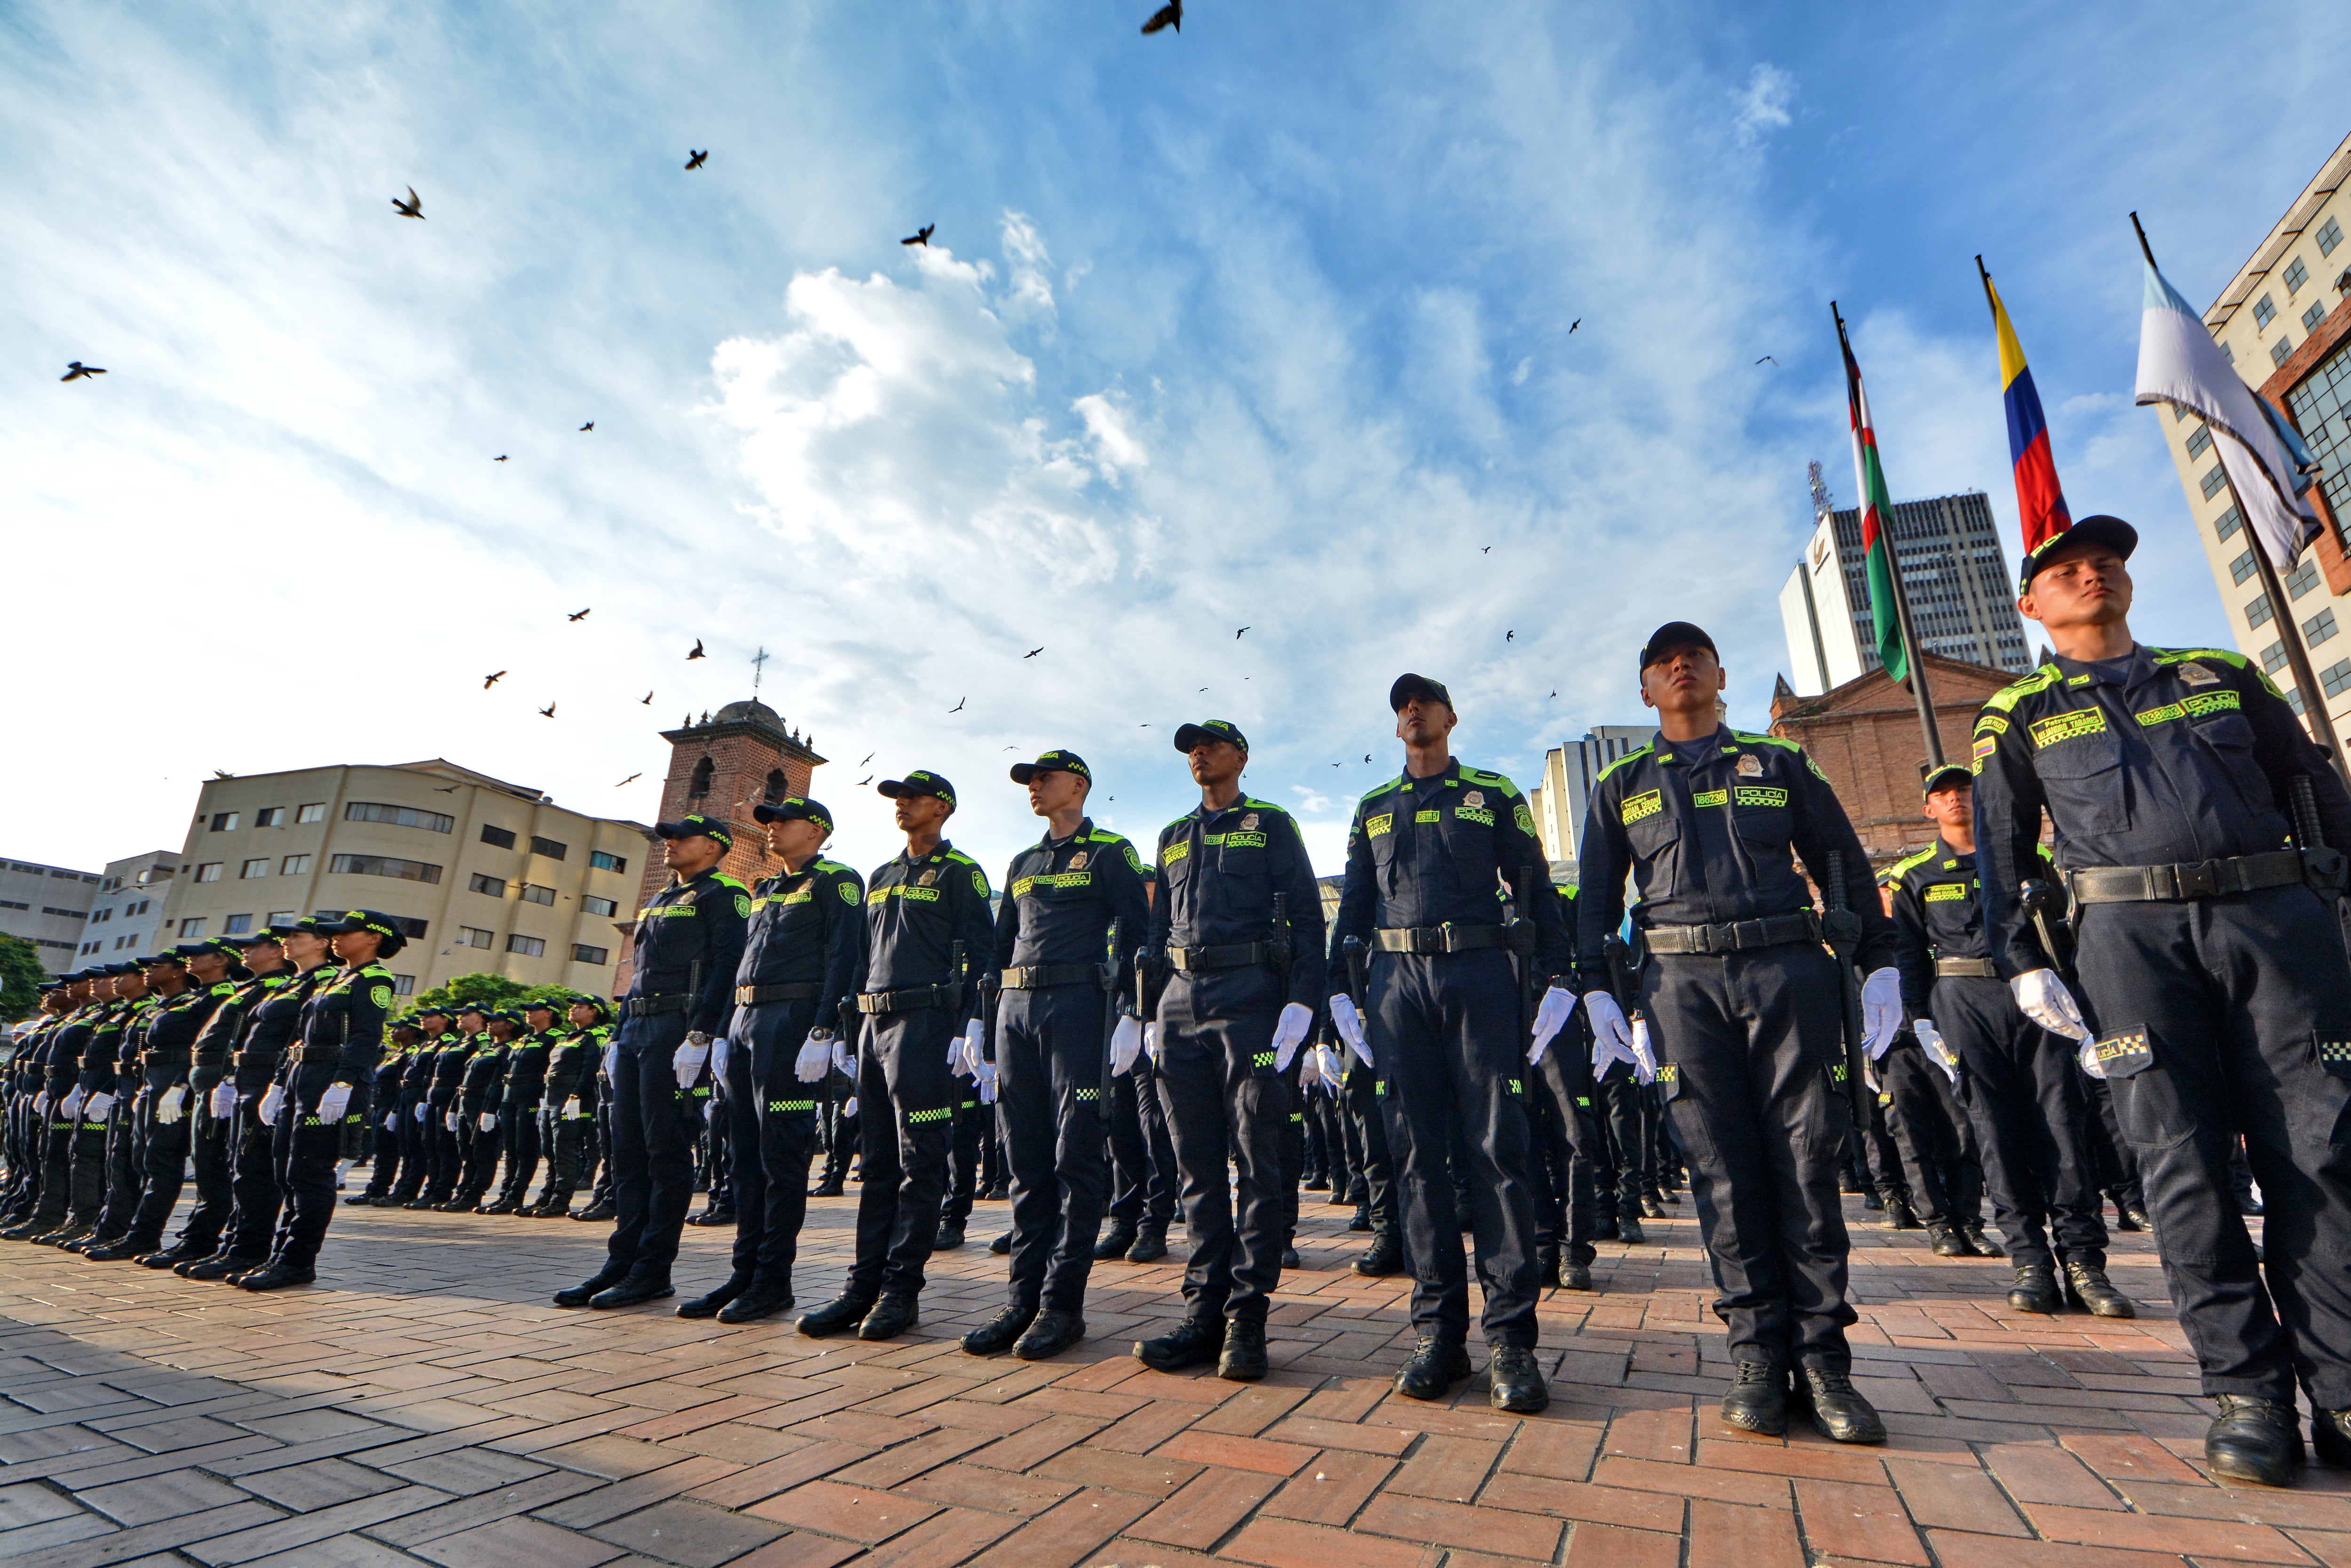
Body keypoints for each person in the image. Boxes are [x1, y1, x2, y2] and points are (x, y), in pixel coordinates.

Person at [1972, 515, 2351, 1487]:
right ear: (2030, 604)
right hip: (2130, 940)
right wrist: (2022, 959)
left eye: (2104, 561)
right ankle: (2247, 1393)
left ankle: (2343, 1386)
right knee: (2181, 1158)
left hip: (2274, 923)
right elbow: (2003, 847)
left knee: (2323, 1147)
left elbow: (2311, 785)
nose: (2091, 574)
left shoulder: (2219, 672)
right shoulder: (2017, 711)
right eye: (2065, 569)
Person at [1574, 624, 1895, 1444]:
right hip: (1680, 986)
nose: (1680, 665)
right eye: (1662, 661)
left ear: (1721, 674)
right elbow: (1596, 899)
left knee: (1807, 1161)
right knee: (1720, 1168)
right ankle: (1755, 1355)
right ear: (1645, 689)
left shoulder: (1779, 762)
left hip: (1787, 971)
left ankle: (1823, 1363)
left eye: (1695, 655)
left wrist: (1882, 962)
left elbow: (1843, 862)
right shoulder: (1621, 784)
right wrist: (1597, 988)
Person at [1327, 674, 1572, 1413]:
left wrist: (1558, 976)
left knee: (1498, 1153)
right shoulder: (1373, 806)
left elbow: (1535, 889)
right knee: (1415, 1159)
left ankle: (1511, 1340)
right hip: (1397, 986)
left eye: (1424, 700)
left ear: (1450, 716)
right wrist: (1338, 990)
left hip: (1480, 976)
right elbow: (1355, 904)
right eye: (1401, 704)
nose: (1412, 709)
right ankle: (1438, 1331)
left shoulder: (1493, 793)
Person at [1129, 720, 1327, 1379]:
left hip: (1250, 997)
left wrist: (1303, 1001)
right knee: (1194, 1164)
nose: (1198, 753)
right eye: (1191, 746)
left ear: (1240, 756)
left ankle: (1247, 1317)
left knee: (1256, 1155)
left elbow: (1308, 918)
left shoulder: (1270, 823)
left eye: (1210, 744)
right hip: (1179, 1000)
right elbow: (1156, 931)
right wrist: (1148, 1009)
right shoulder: (1172, 835)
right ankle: (1203, 1313)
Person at [1889, 764, 2119, 1315]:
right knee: (1992, 1131)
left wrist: (2086, 1010)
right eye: (1942, 793)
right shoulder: (1913, 875)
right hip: (1962, 1000)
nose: (1954, 799)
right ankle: (2030, 1261)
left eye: (1963, 789)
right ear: (1927, 808)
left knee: (2062, 1126)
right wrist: (1920, 1019)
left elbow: (2067, 934)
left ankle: (2084, 1262)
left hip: (2037, 999)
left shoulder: (2025, 857)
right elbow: (1908, 953)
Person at [953, 751, 1153, 1361]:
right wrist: (980, 1019)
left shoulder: (1110, 851)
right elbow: (999, 945)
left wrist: (1134, 1012)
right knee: (1026, 1161)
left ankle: (1061, 1306)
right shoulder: (1023, 861)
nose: (1034, 787)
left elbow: (1138, 934)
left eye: (1045, 777)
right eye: (1029, 781)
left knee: (1075, 1159)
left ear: (1079, 785)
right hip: (1016, 1012)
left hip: (1078, 1010)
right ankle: (1021, 1300)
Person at [800, 772, 993, 1342]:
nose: (902, 804)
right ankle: (861, 1286)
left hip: (924, 1023)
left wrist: (967, 1024)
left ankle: (900, 1290)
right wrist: (844, 1029)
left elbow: (982, 952)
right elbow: (861, 955)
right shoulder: (881, 875)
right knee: (878, 1161)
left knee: (920, 1161)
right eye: (897, 798)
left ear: (943, 807)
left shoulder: (961, 872)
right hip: (872, 1025)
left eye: (913, 796)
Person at [682, 796, 865, 1324]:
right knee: (741, 1154)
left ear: (817, 830)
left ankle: (771, 1280)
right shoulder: (764, 889)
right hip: (745, 1020)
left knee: (779, 1157)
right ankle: (744, 1273)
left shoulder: (836, 880)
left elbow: (845, 957)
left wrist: (825, 1028)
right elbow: (739, 963)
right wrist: (719, 1033)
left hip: (790, 1022)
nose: (773, 828)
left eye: (785, 821)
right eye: (770, 822)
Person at [557, 814, 749, 1310]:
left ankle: (652, 1269)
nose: (672, 843)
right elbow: (638, 974)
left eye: (683, 837)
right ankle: (620, 1262)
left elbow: (727, 967)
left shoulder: (724, 893)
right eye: (670, 837)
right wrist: (615, 1038)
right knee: (626, 1150)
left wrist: (703, 1032)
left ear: (713, 846)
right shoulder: (661, 898)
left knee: (665, 1148)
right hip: (636, 1026)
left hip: (676, 1027)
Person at [239, 909, 400, 1290]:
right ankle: (280, 1255)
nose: (337, 938)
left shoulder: (374, 978)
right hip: (301, 1078)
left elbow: (366, 1037)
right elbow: (300, 1037)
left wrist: (343, 1082)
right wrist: (279, 1083)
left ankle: (297, 1261)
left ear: (374, 938)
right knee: (287, 1171)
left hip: (331, 1081)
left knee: (311, 1174)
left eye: (346, 932)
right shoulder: (336, 979)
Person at [152, 930, 290, 1262]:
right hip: (214, 1084)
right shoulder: (249, 987)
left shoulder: (276, 987)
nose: (246, 951)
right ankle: (203, 1241)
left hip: (235, 1084)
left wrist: (225, 1079)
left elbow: (247, 1040)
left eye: (253, 946)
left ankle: (219, 1244)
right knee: (209, 1168)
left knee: (228, 1170)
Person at [530, 997, 609, 1216]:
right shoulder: (570, 1036)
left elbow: (591, 1068)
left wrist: (577, 1095)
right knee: (550, 1150)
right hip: (552, 1097)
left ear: (593, 1012)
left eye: (579, 1007)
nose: (573, 1009)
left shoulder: (595, 1035)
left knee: (564, 1150)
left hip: (571, 1098)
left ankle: (560, 1200)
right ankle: (546, 1197)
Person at [483, 1001, 555, 1213]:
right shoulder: (523, 1040)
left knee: (525, 1149)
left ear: (548, 1013)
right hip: (510, 1096)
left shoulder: (554, 1038)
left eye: (534, 1010)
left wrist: (543, 1100)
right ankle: (505, 1195)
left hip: (531, 1097)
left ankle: (516, 1196)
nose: (529, 1013)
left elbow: (552, 1070)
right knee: (511, 1149)